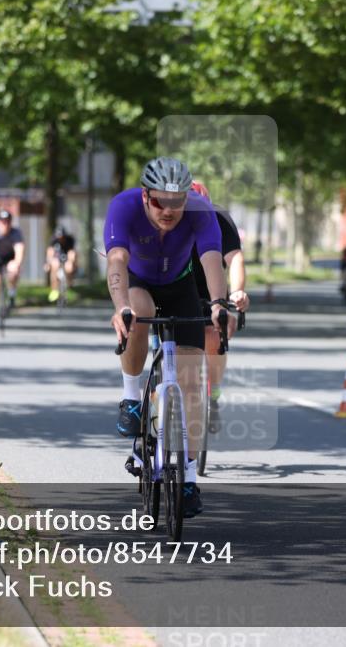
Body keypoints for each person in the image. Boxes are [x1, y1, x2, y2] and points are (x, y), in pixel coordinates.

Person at [104, 157, 232, 518]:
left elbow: (211, 259)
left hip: (180, 285)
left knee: (191, 383)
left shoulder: (200, 210)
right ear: (146, 196)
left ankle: (188, 478)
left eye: (177, 202)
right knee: (137, 313)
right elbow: (117, 259)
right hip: (138, 281)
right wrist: (121, 307)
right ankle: (131, 398)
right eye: (161, 201)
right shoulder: (124, 206)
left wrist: (219, 304)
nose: (169, 211)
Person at [189, 181, 249, 434]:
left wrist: (237, 291)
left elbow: (234, 259)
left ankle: (212, 395)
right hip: (172, 284)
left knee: (214, 336)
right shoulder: (165, 219)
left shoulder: (219, 218)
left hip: (209, 288)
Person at [45, 226, 77, 303]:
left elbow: (72, 253)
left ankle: (69, 283)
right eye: (59, 237)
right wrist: (48, 263)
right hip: (57, 258)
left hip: (67, 258)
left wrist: (71, 262)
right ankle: (54, 290)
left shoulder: (70, 240)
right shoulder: (53, 240)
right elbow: (50, 252)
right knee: (54, 266)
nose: (60, 239)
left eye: (62, 237)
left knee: (69, 267)